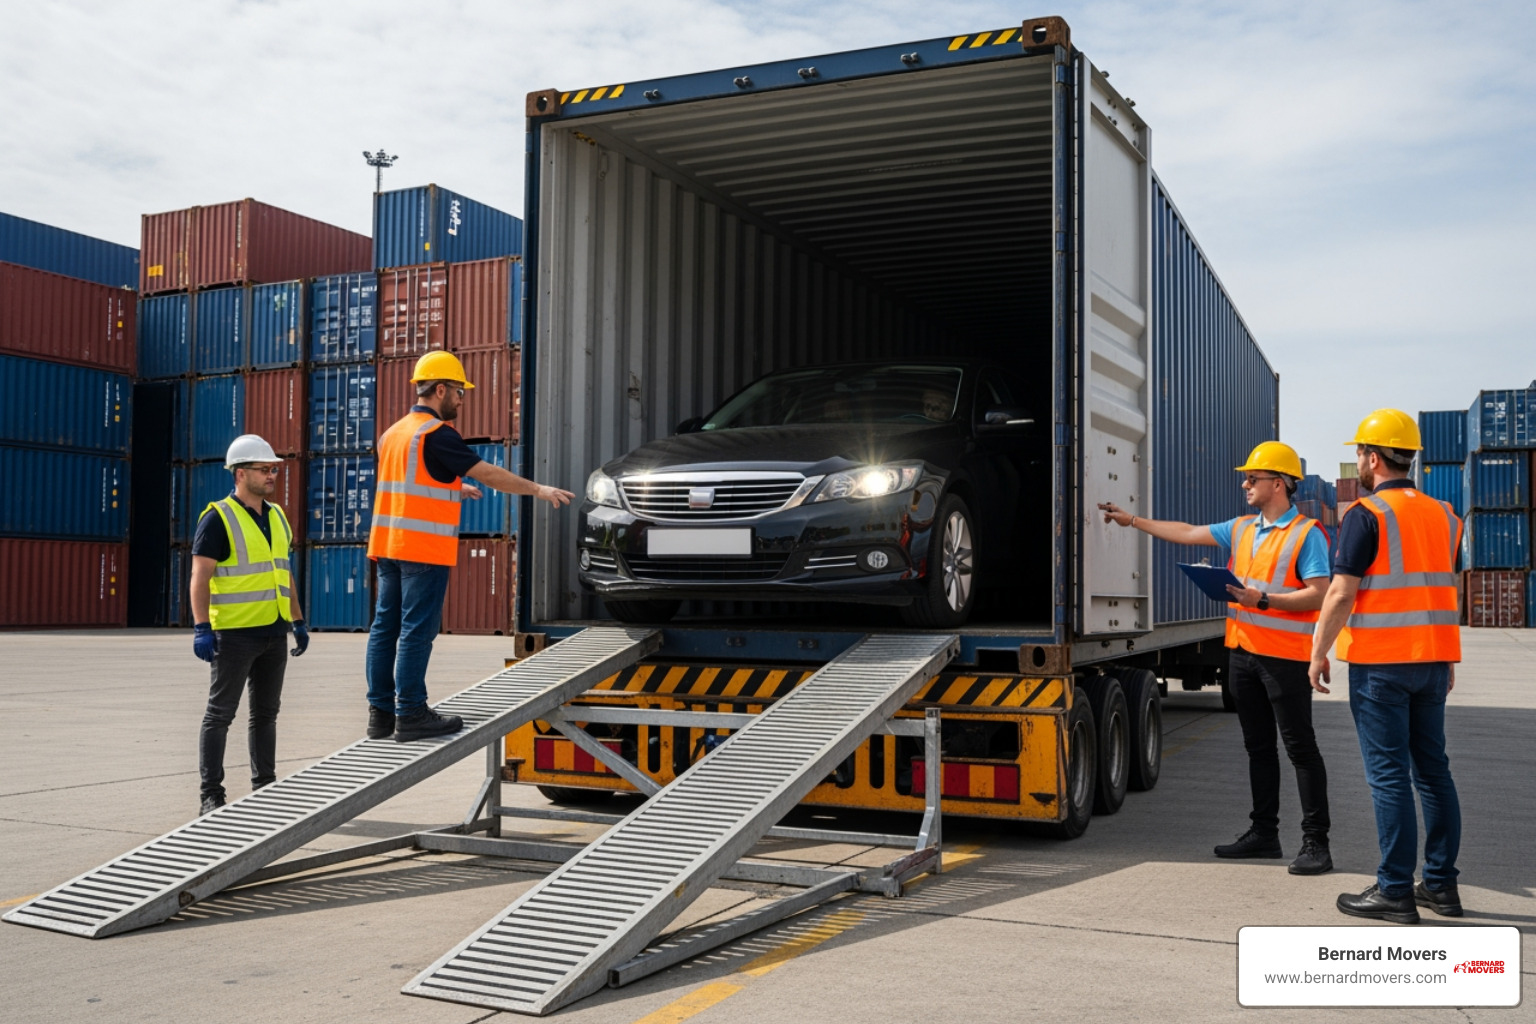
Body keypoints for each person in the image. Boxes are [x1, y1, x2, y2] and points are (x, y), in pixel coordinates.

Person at [1100, 441, 1333, 875]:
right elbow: (1188, 532)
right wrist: (1131, 521)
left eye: (1252, 478)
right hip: (1241, 655)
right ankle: (1265, 835)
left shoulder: (1307, 533)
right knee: (1258, 748)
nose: (1245, 484)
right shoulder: (1243, 528)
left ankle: (1316, 843)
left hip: (1284, 658)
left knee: (1301, 750)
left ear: (1278, 484)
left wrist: (1261, 600)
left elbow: (1320, 592)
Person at [366, 351, 574, 742]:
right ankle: (410, 713)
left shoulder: (392, 433)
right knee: (415, 631)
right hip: (422, 550)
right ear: (440, 389)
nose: (462, 400)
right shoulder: (438, 434)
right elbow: (490, 473)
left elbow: (409, 482)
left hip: (387, 546)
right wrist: (537, 489)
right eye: (459, 392)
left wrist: (453, 487)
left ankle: (380, 714)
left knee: (384, 629)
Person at [1309, 409, 1463, 925]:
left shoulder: (1365, 514)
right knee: (1434, 774)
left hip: (1381, 666)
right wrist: (1445, 653)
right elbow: (1445, 589)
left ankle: (1395, 890)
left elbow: (1341, 593)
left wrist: (1317, 652)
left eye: (1359, 452)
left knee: (1390, 777)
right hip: (1433, 659)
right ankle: (1440, 886)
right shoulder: (1446, 514)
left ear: (1373, 458)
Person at [189, 434, 308, 816]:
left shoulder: (276, 516)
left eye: (274, 468)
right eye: (264, 469)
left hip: (274, 631)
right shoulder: (217, 518)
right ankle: (211, 795)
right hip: (234, 635)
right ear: (241, 474)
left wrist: (298, 620)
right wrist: (201, 627)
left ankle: (265, 788)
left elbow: (283, 571)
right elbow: (200, 575)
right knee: (220, 714)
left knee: (266, 715)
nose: (272, 474)